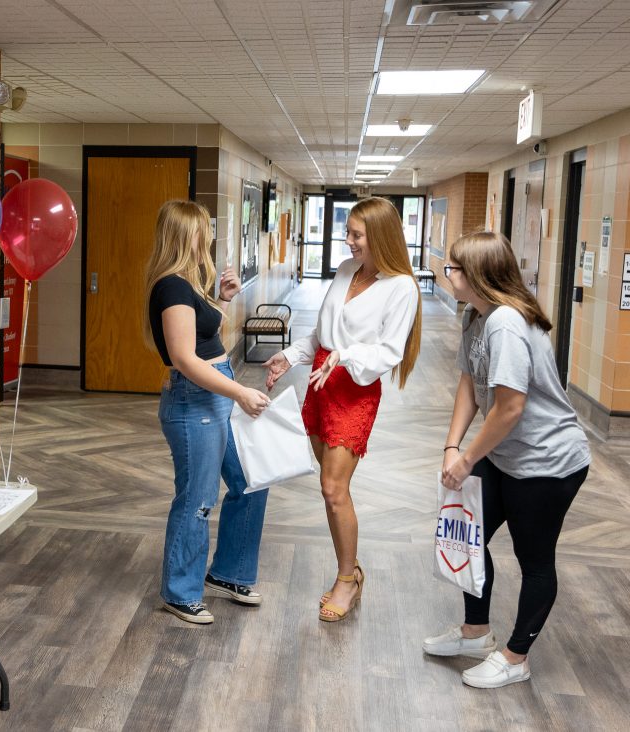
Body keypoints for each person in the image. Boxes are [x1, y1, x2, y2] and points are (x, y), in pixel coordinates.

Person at [422, 231, 590, 689]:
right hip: (503, 452)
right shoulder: (476, 317)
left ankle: (516, 657)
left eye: (453, 268)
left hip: (547, 461)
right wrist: (452, 447)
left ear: (476, 275)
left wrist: (469, 457)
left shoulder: (507, 325)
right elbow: (468, 384)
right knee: (467, 537)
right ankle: (476, 632)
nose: (446, 273)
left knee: (534, 559)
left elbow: (510, 407)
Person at [264, 196, 421, 622]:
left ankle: (346, 580)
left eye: (356, 235)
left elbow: (388, 351)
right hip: (319, 379)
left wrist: (344, 357)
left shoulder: (401, 286)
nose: (347, 241)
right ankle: (350, 569)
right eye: (347, 232)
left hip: (354, 387)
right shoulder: (346, 270)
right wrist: (291, 355)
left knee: (335, 490)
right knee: (329, 488)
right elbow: (322, 331)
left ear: (381, 237)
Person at [146, 199, 272, 625]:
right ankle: (180, 593)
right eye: (204, 229)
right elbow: (184, 357)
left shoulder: (189, 284)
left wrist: (222, 299)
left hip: (215, 392)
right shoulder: (171, 287)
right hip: (193, 400)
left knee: (252, 482)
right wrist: (239, 392)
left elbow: (201, 337)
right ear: (187, 235)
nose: (210, 237)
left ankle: (228, 573)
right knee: (198, 500)